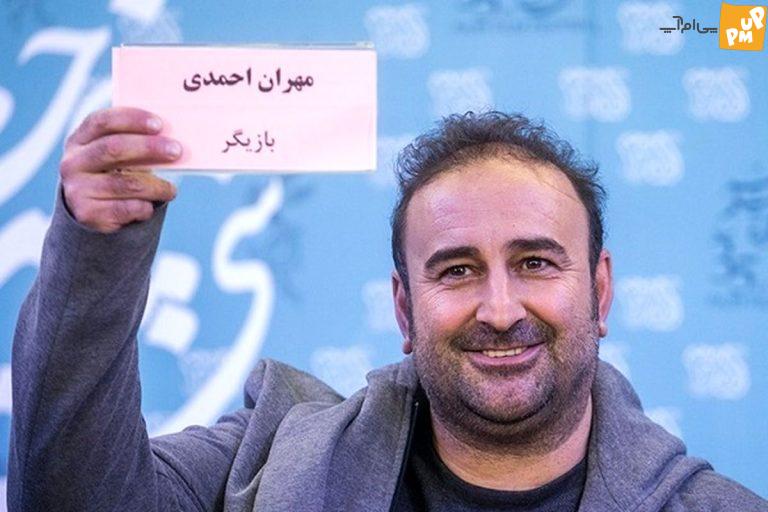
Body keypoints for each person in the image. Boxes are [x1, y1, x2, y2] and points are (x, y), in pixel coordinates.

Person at [8, 108, 767, 512]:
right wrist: (97, 250)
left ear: (599, 291)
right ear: (404, 310)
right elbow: (71, 497)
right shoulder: (264, 461)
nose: (500, 309)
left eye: (535, 262)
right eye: (457, 270)